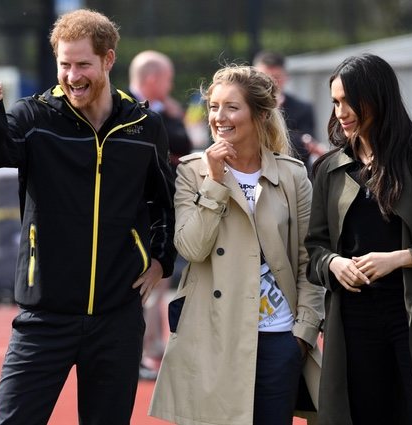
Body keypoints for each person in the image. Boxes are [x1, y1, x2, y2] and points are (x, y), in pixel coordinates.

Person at [0, 9, 176, 425]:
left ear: (108, 60)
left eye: (83, 65)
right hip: (44, 315)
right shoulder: (34, 116)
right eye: (65, 64)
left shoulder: (143, 124)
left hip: (117, 316)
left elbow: (163, 200)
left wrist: (161, 260)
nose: (73, 75)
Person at [305, 53, 412, 425]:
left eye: (350, 101)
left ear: (378, 98)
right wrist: (333, 264)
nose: (341, 112)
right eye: (335, 102)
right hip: (351, 322)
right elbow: (314, 251)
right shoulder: (328, 169)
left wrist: (399, 258)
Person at [149, 64, 324, 425]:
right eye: (213, 106)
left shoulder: (292, 174)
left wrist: (303, 332)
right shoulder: (192, 171)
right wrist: (214, 184)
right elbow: (191, 248)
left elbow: (309, 259)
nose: (218, 117)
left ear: (259, 114)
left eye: (231, 107)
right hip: (213, 336)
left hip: (279, 337)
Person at [128, 49, 192, 380]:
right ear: (152, 78)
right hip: (135, 215)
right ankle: (139, 352)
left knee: (157, 283)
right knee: (142, 286)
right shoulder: (126, 109)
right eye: (167, 78)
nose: (169, 85)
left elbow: (182, 148)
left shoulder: (162, 112)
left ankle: (150, 349)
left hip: (159, 212)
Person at [254, 51, 324, 176]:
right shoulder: (247, 109)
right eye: (264, 78)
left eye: (276, 78)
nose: (269, 84)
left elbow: (304, 147)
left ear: (286, 77)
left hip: (294, 176)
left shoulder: (303, 109)